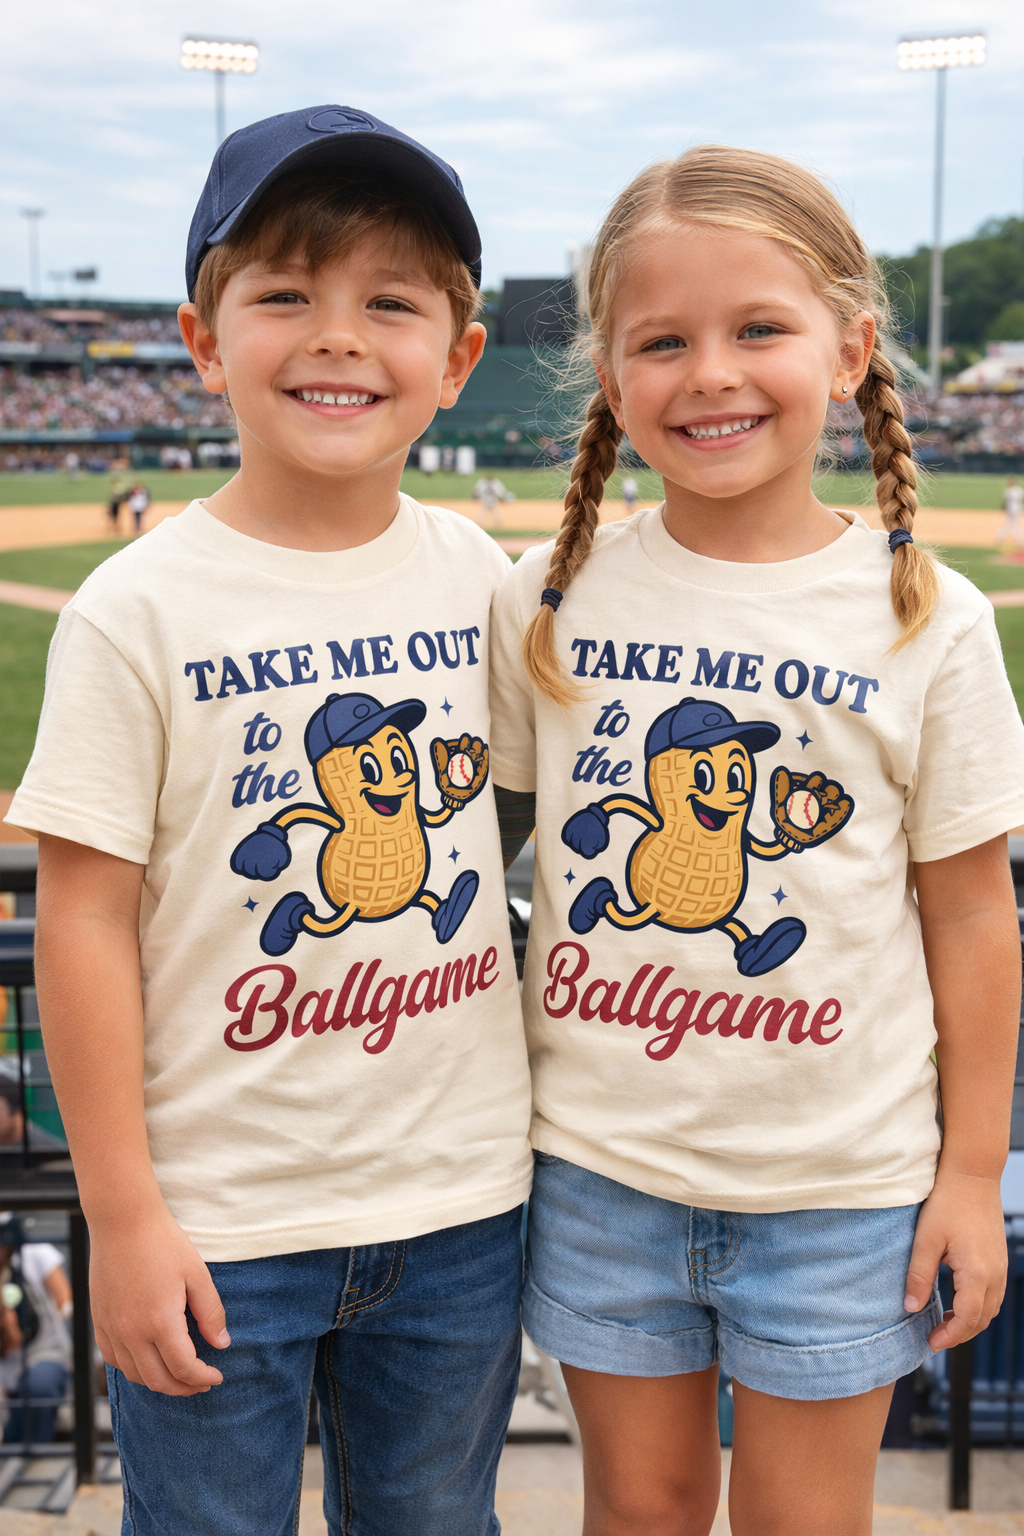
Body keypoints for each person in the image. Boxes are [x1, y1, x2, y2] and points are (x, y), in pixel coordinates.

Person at [7, 106, 532, 1536]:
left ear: (457, 359)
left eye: (390, 303)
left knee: (434, 1523)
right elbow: (85, 915)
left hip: (461, 1205)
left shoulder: (481, 577)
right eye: (286, 295)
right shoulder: (140, 606)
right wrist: (119, 1214)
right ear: (203, 338)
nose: (338, 336)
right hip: (219, 1217)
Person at [487, 145, 1024, 1535]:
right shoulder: (551, 602)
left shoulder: (929, 617)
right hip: (604, 1171)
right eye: (663, 341)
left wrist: (972, 1175)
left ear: (849, 350)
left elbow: (971, 916)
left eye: (760, 330)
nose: (711, 373)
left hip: (843, 1192)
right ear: (611, 376)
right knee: (641, 1516)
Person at [1, 1240, 73, 1445]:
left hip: (47, 1354)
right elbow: (11, 1343)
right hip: (8, 1365)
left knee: (38, 1386)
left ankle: (26, 1455)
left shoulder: (35, 1253)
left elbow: (64, 1298)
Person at [998, 476, 1024, 552]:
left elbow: (1006, 500)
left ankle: (1018, 540)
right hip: (1018, 508)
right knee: (1009, 523)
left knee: (1013, 524)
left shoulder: (1009, 490)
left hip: (1011, 509)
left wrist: (1003, 507)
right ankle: (1001, 536)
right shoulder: (1019, 489)